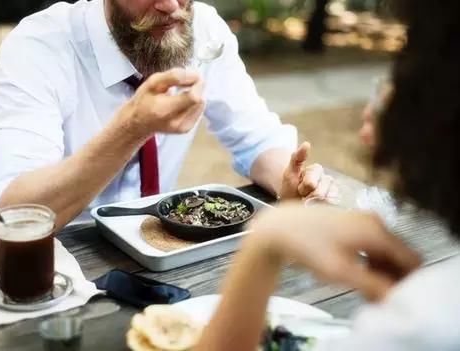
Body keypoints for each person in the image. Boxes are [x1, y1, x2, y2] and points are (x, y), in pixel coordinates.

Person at [196, 1, 460, 350]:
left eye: (405, 58)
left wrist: (265, 243)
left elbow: (255, 135)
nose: (374, 110)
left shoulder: (418, 325)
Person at [0, 0, 337, 237]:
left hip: (160, 248)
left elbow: (256, 140)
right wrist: (131, 127)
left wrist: (292, 181)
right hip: (54, 258)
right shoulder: (39, 47)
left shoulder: (203, 29)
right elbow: (14, 212)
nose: (170, 5)